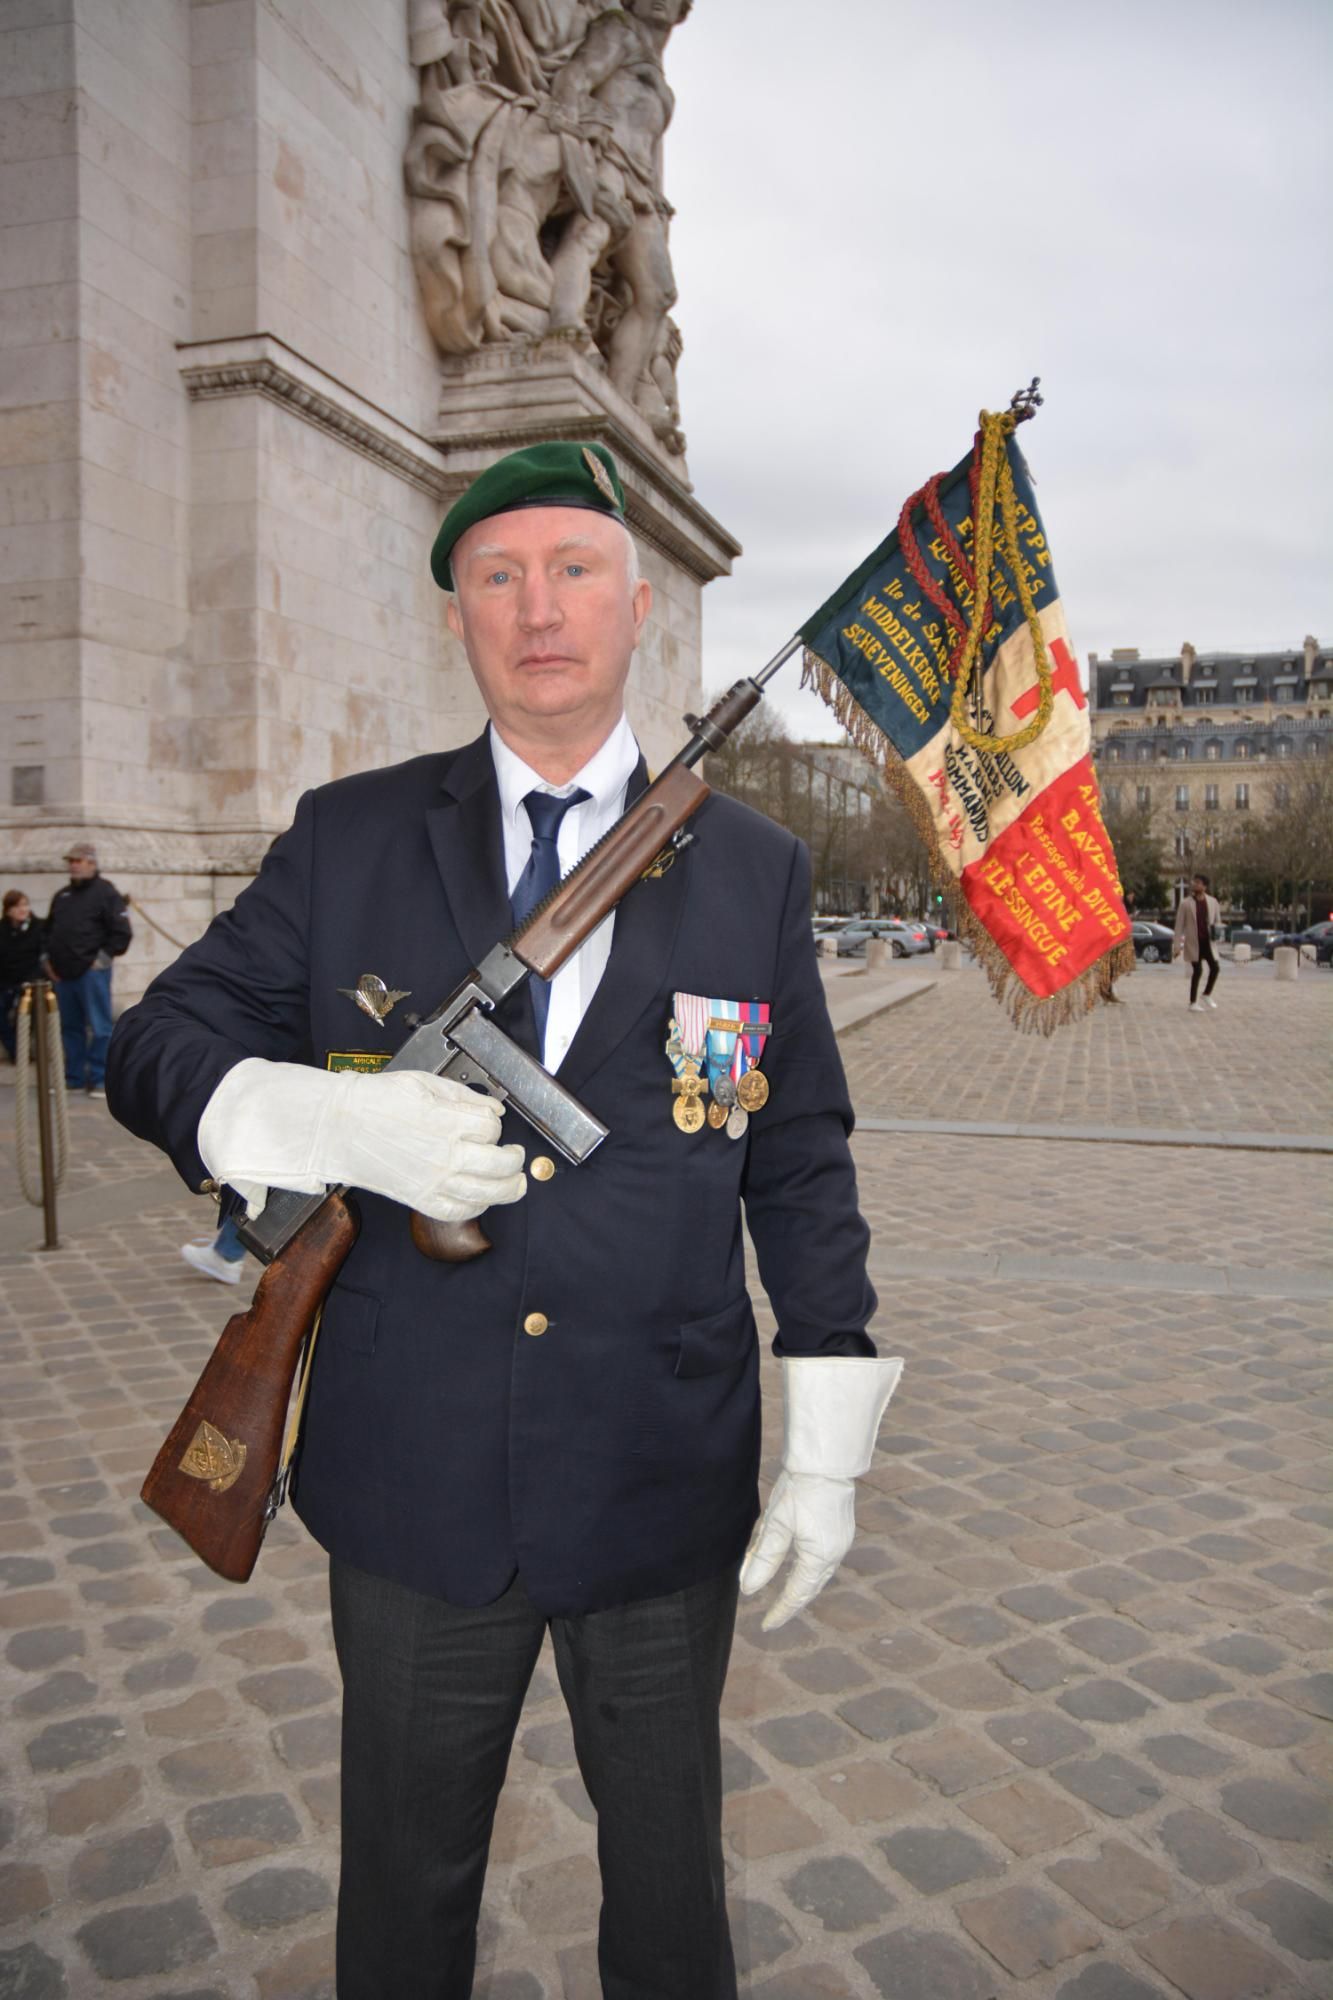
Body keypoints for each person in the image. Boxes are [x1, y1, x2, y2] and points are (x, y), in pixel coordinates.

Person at [107, 441, 901, 2000]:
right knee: (404, 1900)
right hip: (415, 1481)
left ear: (638, 610)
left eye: (574, 570)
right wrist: (322, 1123)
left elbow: (799, 1155)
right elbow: (155, 1041)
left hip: (659, 1477)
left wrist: (826, 1442)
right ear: (458, 616)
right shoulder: (350, 836)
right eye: (499, 576)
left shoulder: (754, 868)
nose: (539, 608)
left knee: (669, 1900)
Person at [45, 842, 132, 1095]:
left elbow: (121, 933)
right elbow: (48, 931)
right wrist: (47, 962)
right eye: (70, 861)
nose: (73, 865)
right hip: (63, 975)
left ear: (91, 863)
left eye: (78, 861)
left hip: (91, 973)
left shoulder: (106, 892)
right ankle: (73, 1077)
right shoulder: (62, 895)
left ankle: (99, 1078)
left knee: (100, 1027)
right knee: (70, 1028)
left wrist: (100, 962)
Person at [0, 890, 45, 1062]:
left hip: (31, 983)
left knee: (25, 1015)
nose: (22, 909)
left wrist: (29, 980)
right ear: (8, 910)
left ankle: (21, 1053)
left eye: (25, 905)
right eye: (17, 906)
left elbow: (42, 958)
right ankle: (16, 1051)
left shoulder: (39, 927)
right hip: (6, 982)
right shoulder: (2, 929)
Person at [1173, 871, 1221, 1011]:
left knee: (1215, 968)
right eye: (1194, 882)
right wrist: (1177, 946)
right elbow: (1179, 926)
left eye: (1198, 883)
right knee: (1198, 971)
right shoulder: (1185, 903)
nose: (1194, 884)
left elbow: (1218, 921)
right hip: (1193, 943)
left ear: (1204, 887)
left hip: (1208, 942)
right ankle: (1193, 1002)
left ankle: (1206, 994)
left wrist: (1217, 932)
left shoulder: (1212, 902)